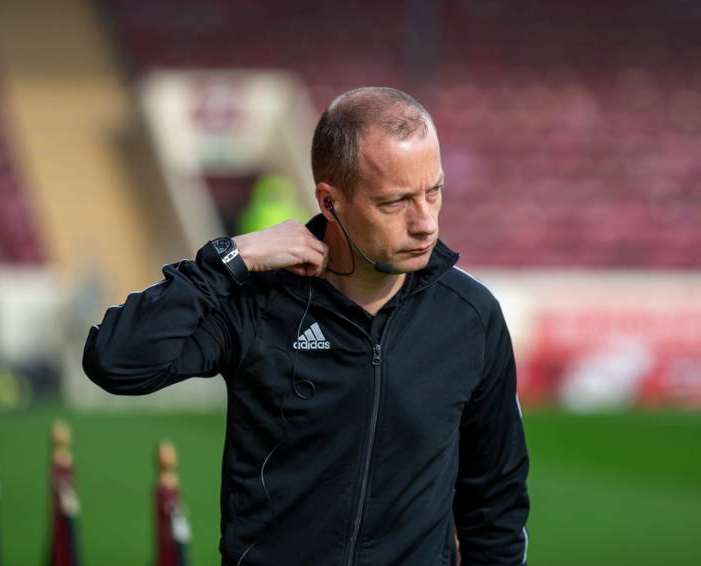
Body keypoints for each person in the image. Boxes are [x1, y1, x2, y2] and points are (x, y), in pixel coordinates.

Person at [83, 87, 530, 565]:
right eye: (395, 202)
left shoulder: (470, 315)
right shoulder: (260, 300)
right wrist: (232, 259)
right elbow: (116, 362)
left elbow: (495, 503)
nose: (425, 223)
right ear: (330, 202)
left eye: (434, 191)